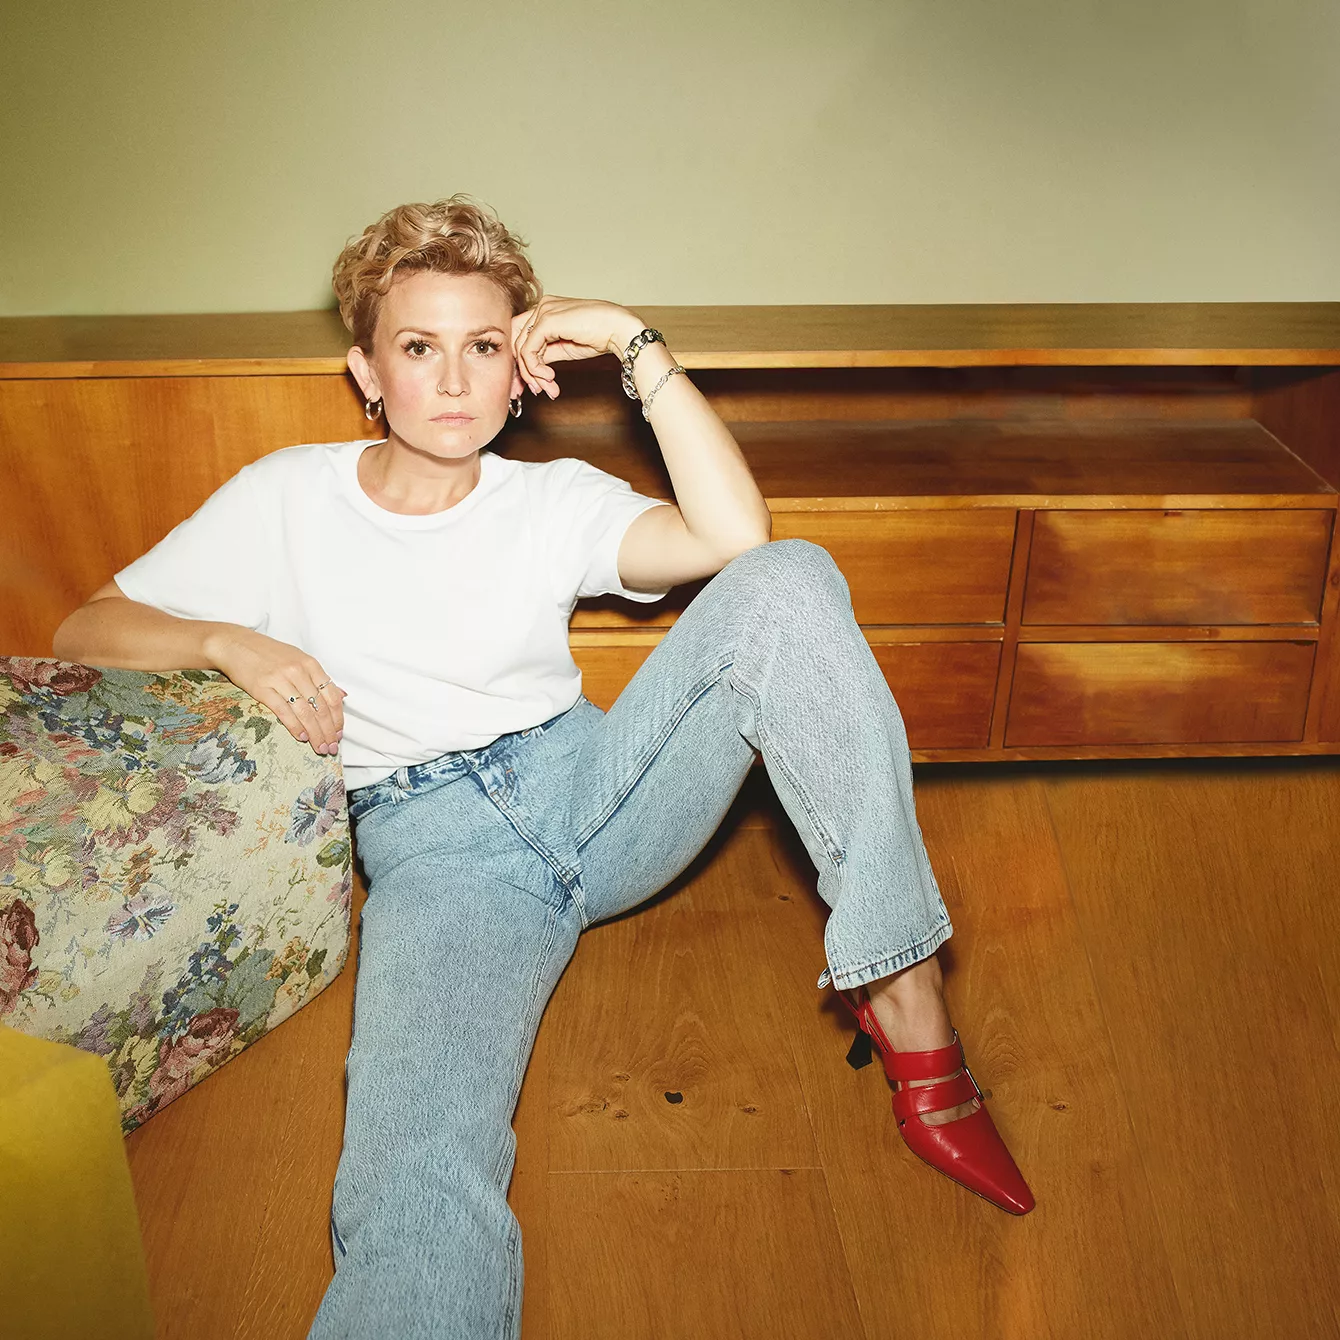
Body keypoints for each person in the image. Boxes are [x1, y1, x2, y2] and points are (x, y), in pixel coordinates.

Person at [53, 194, 1034, 1340]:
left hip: (600, 785)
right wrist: (229, 639)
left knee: (789, 577)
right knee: (414, 1165)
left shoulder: (551, 498)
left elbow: (735, 541)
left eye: (482, 347)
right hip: (441, 862)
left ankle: (902, 985)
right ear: (366, 369)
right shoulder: (286, 496)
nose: (452, 380)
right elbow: (85, 627)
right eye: (418, 347)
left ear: (518, 369)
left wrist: (629, 339)